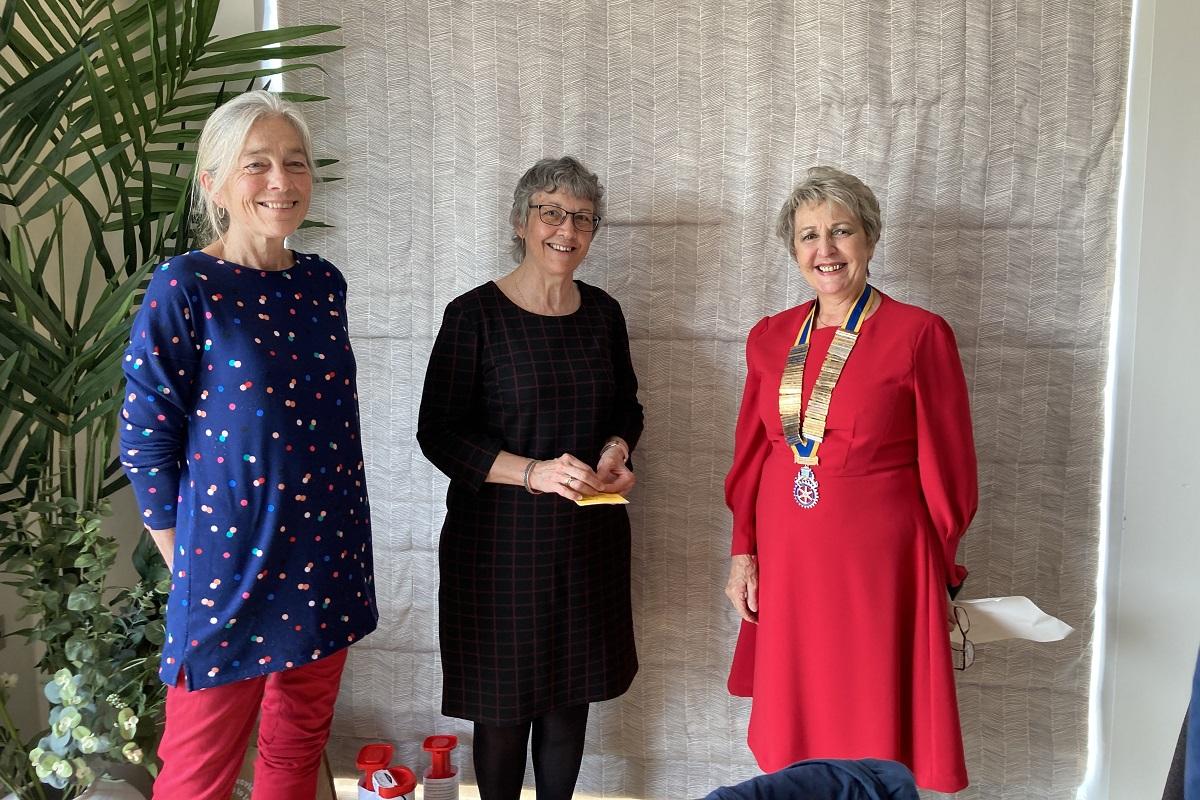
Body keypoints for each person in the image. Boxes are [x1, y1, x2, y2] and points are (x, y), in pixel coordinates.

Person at [119, 90, 376, 800]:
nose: (280, 181)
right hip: (226, 575)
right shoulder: (186, 287)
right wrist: (192, 564)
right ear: (215, 184)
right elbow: (145, 441)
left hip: (326, 558)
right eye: (256, 164)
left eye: (294, 164)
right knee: (196, 777)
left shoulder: (324, 284)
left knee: (296, 753)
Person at [722, 166, 977, 792]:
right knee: (799, 709)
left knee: (870, 708)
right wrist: (742, 552)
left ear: (869, 238)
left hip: (881, 561)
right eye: (809, 236)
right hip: (789, 552)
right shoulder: (769, 336)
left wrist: (941, 570)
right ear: (794, 249)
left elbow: (950, 465)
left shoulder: (919, 334)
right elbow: (752, 455)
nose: (825, 250)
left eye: (841, 231)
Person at [417, 156, 642, 800]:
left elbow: (626, 407)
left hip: (586, 543)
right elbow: (439, 432)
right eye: (551, 212)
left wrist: (616, 448)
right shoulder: (474, 316)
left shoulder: (603, 314)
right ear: (521, 223)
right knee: (503, 712)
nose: (566, 229)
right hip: (498, 549)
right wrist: (534, 473)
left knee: (571, 705)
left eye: (582, 218)